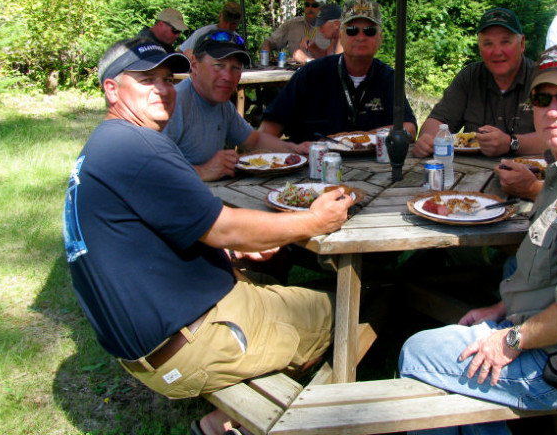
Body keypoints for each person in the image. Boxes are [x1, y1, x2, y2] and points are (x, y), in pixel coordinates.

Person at [64, 36, 352, 435]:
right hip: (190, 343)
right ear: (112, 89)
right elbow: (224, 226)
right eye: (146, 80)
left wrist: (233, 248)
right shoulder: (141, 147)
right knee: (344, 308)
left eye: (166, 78)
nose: (163, 90)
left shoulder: (105, 145)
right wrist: (314, 222)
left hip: (149, 345)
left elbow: (171, 230)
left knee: (273, 285)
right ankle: (257, 418)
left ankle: (228, 417)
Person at [398, 45, 557, 435]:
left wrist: (510, 340)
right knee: (443, 363)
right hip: (547, 337)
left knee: (418, 356)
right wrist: (500, 309)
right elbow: (553, 278)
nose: (553, 109)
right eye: (541, 98)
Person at [258, 0, 418, 143]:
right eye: (352, 30)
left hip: (376, 171)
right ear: (341, 34)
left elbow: (409, 129)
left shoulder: (388, 78)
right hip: (314, 169)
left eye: (369, 31)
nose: (360, 37)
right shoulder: (310, 75)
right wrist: (292, 152)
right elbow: (266, 132)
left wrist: (354, 139)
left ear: (380, 38)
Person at [163, 29, 303, 181]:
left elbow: (255, 141)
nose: (228, 77)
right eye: (219, 65)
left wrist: (296, 150)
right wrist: (202, 171)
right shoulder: (173, 103)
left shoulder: (221, 104)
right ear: (195, 65)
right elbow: (150, 171)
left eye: (235, 68)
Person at [413, 7, 542, 159]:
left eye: (505, 42)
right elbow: (438, 121)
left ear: (522, 44)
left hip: (528, 176)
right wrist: (427, 139)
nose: (497, 51)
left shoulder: (542, 79)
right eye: (488, 43)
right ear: (480, 49)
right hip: (469, 174)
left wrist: (511, 143)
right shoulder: (470, 76)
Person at [259, 0, 330, 65]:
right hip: (294, 74)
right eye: (307, 5)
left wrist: (307, 59)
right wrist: (265, 53)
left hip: (320, 73)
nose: (310, 8)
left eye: (314, 5)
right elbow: (269, 41)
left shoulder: (330, 27)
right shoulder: (292, 25)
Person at [179, 1, 245, 60]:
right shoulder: (203, 33)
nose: (228, 27)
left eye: (233, 24)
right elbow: (180, 52)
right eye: (225, 22)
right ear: (220, 16)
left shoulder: (238, 41)